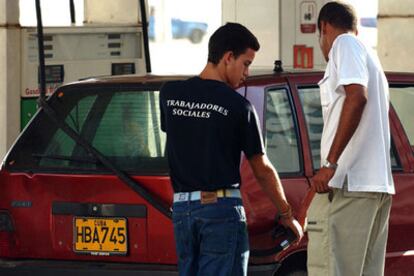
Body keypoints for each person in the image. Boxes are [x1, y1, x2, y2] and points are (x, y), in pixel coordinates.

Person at [159, 22, 303, 276]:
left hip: (182, 211)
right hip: (220, 212)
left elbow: (186, 141)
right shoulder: (238, 106)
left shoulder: (169, 95)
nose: (247, 71)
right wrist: (286, 213)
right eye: (246, 63)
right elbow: (261, 168)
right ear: (228, 58)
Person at [307, 2, 395, 276]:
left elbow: (356, 97)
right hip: (373, 186)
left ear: (323, 28)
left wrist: (330, 163)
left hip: (349, 184)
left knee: (330, 268)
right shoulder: (370, 56)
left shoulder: (344, 43)